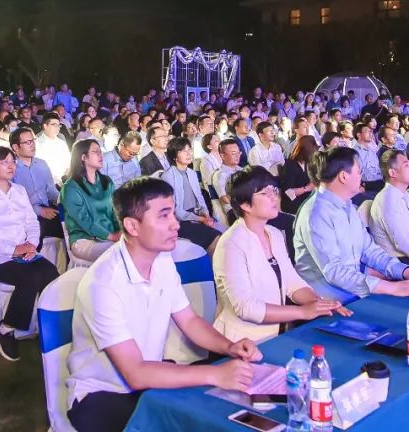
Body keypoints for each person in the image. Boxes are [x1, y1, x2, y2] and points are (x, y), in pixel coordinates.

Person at [65, 177, 263, 432]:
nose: (175, 224)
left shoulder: (161, 259)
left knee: (225, 411)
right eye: (163, 216)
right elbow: (135, 374)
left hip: (151, 377)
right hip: (103, 394)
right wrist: (216, 374)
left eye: (173, 213)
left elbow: (189, 321)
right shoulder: (102, 284)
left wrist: (230, 346)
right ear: (132, 226)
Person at [214, 166, 348, 343]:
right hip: (241, 342)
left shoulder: (273, 234)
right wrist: (302, 312)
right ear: (245, 205)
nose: (273, 197)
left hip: (276, 335)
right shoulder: (231, 243)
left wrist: (319, 302)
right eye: (264, 193)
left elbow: (292, 282)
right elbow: (246, 308)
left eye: (273, 190)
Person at [293, 147, 409, 302]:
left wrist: (407, 273)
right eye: (358, 172)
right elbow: (334, 272)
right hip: (328, 300)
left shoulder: (347, 205)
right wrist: (390, 287)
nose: (361, 177)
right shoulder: (316, 213)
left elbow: (369, 250)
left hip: (353, 290)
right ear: (344, 176)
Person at [0, 147, 59, 361]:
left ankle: (46, 325)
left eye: (11, 162)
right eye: (4, 162)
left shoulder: (19, 191)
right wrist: (13, 249)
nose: (10, 166)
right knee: (31, 276)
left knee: (50, 271)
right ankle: (7, 328)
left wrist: (32, 245)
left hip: (24, 252)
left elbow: (32, 222)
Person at [60, 139, 120, 263]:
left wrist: (121, 231)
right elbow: (84, 221)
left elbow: (115, 211)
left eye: (100, 151)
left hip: (110, 235)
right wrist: (112, 236)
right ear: (83, 157)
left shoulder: (106, 181)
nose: (100, 155)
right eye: (95, 152)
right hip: (84, 239)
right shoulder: (71, 187)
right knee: (118, 253)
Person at [160, 138, 224, 253]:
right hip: (179, 221)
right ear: (174, 156)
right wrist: (201, 219)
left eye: (189, 149)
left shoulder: (192, 173)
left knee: (226, 236)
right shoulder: (168, 176)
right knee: (216, 240)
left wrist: (205, 214)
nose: (188, 153)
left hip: (197, 216)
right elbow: (176, 211)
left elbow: (200, 198)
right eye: (182, 151)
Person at [9, 127, 62, 244]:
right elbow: (13, 202)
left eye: (33, 140)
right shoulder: (11, 169)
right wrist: (39, 211)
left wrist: (63, 200)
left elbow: (51, 190)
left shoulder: (42, 164)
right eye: (27, 142)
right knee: (36, 234)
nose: (32, 145)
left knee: (71, 228)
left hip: (48, 208)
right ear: (15, 147)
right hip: (26, 215)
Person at [277, 135, 317, 215]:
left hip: (306, 197)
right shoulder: (290, 165)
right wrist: (307, 188)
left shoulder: (307, 164)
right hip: (293, 202)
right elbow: (288, 192)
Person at [35, 113, 71, 180]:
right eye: (55, 125)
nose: (58, 128)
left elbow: (69, 162)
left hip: (63, 180)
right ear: (45, 126)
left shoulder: (62, 143)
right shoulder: (37, 143)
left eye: (59, 125)